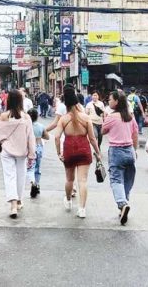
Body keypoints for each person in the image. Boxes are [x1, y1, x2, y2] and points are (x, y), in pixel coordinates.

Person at [53, 86, 101, 219]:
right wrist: (98, 152)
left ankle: (68, 201)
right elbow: (92, 138)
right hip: (84, 150)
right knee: (83, 181)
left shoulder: (63, 119)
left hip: (69, 150)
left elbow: (57, 137)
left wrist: (59, 153)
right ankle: (82, 209)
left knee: (69, 179)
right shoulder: (85, 118)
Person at [0, 89, 35, 218]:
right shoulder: (26, 117)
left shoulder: (4, 116)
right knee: (20, 176)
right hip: (22, 151)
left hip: (6, 151)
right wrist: (31, 154)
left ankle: (13, 205)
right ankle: (19, 200)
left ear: (8, 100)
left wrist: (2, 141)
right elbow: (30, 137)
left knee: (9, 177)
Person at [102, 90, 139, 225]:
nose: (109, 102)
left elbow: (103, 131)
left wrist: (104, 118)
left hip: (116, 151)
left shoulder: (112, 117)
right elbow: (135, 134)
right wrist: (135, 150)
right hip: (129, 150)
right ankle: (125, 204)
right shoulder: (130, 117)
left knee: (116, 179)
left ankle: (122, 204)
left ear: (117, 101)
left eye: (111, 99)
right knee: (128, 179)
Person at [27, 107, 49, 198]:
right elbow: (47, 137)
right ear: (37, 117)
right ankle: (37, 184)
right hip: (39, 147)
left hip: (29, 148)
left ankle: (32, 182)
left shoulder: (26, 126)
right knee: (37, 167)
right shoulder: (41, 126)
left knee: (30, 167)